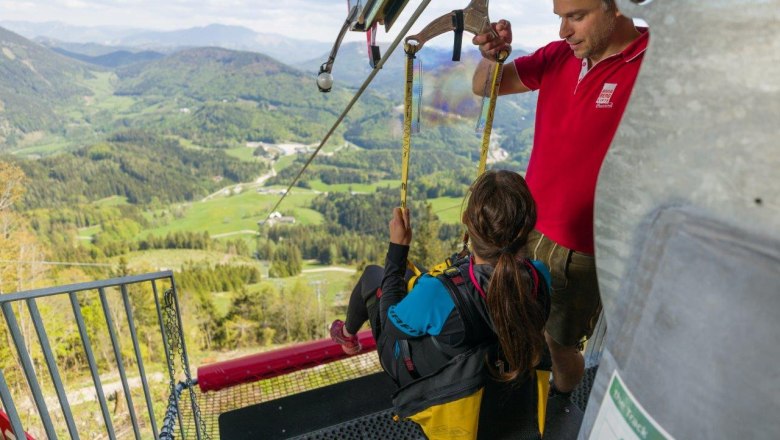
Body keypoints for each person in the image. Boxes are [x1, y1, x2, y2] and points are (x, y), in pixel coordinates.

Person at [471, 0, 649, 401]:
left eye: (576, 16)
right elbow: (485, 86)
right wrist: (493, 56)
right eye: (559, 18)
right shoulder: (560, 55)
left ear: (617, 8)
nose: (562, 31)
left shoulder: (654, 67)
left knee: (559, 341)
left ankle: (561, 400)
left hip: (580, 248)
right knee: (513, 316)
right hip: (526, 229)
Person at [330, 170, 551, 439]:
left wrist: (397, 250)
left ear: (467, 224)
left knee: (372, 277)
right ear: (527, 230)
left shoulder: (438, 293)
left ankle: (348, 336)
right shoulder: (539, 277)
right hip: (494, 374)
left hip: (439, 381)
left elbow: (390, 325)